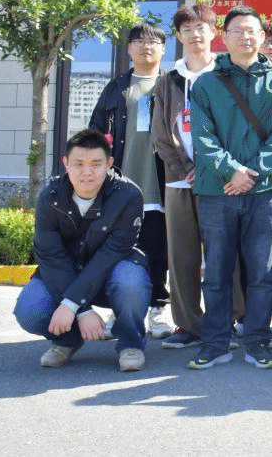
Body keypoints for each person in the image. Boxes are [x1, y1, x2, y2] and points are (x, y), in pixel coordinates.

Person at [186, 5, 272, 371]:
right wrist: (232, 171)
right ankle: (215, 343)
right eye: (238, 30)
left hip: (264, 192)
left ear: (262, 37)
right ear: (225, 37)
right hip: (217, 191)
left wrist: (252, 173)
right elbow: (202, 137)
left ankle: (257, 341)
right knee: (216, 272)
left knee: (262, 273)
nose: (246, 37)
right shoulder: (206, 83)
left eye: (252, 31)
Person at [14, 129, 151, 372]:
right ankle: (67, 340)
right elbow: (51, 258)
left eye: (96, 164)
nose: (87, 172)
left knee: (131, 281)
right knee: (30, 309)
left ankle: (131, 343)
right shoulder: (50, 198)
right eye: (79, 164)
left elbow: (112, 253)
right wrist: (81, 311)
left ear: (109, 163)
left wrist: (73, 303)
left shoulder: (128, 195)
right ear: (65, 163)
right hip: (66, 274)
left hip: (112, 272)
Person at [152, 3, 239, 351]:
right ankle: (188, 324)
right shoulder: (168, 80)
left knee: (223, 254)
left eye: (200, 28)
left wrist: (211, 168)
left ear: (213, 32)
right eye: (187, 29)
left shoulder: (228, 74)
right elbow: (161, 133)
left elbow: (237, 129)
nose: (194, 35)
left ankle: (227, 321)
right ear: (179, 36)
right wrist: (185, 169)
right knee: (182, 256)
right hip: (179, 181)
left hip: (220, 180)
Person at [88, 21, 171, 341]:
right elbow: (96, 133)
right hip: (122, 185)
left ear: (163, 49)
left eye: (153, 42)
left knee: (158, 252)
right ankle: (118, 309)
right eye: (139, 41)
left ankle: (158, 309)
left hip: (160, 183)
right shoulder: (116, 87)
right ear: (129, 49)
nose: (146, 47)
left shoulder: (172, 85)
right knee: (119, 250)